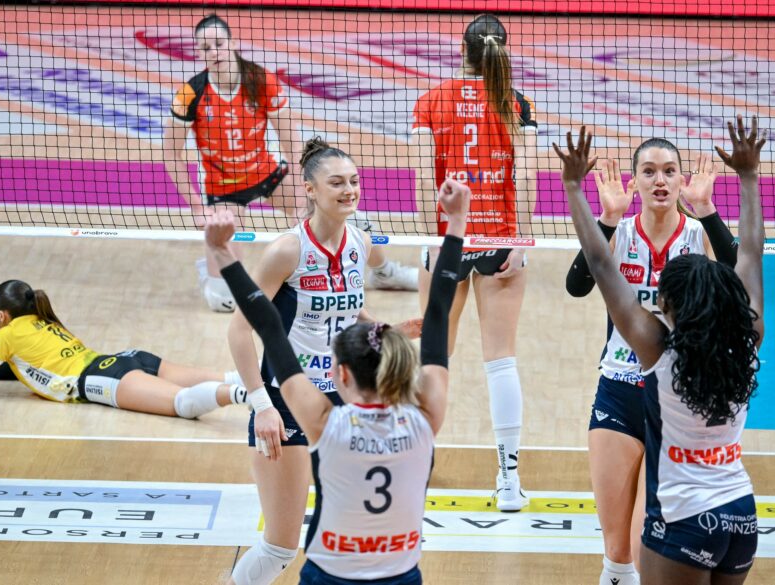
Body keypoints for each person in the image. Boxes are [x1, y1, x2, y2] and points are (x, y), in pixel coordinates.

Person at [206, 176, 467, 585]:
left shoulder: (325, 425)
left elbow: (269, 327)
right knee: (277, 544)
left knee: (280, 546)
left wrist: (223, 253)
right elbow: (438, 313)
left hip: (330, 576)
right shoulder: (424, 419)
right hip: (400, 577)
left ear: (340, 373)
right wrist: (457, 221)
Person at [555, 118, 766, 585]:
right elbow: (752, 261)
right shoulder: (623, 232)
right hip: (619, 390)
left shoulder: (696, 237)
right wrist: (608, 219)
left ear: (681, 178)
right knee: (616, 551)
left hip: (671, 407)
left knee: (638, 548)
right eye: (648, 171)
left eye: (670, 170)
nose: (660, 180)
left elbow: (738, 264)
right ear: (634, 180)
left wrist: (708, 211)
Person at [165, 14, 416, 313]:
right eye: (206, 48)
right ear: (198, 52)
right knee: (224, 302)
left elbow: (292, 144)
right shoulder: (191, 93)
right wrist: (197, 208)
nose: (214, 52)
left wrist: (304, 193)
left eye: (219, 43)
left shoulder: (260, 81)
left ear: (232, 43)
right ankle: (211, 267)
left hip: (267, 174)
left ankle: (384, 271)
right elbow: (171, 154)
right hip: (222, 189)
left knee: (341, 212)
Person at [410, 13, 536, 512]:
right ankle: (509, 480)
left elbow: (423, 180)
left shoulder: (430, 101)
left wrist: (430, 241)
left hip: (449, 240)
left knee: (434, 356)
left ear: (461, 51)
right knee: (501, 360)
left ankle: (414, 463)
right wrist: (521, 244)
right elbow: (526, 178)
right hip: (499, 238)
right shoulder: (516, 103)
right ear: (503, 51)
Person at [0, 279, 247, 417]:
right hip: (125, 360)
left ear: (2, 315)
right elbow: (12, 369)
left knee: (185, 405)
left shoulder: (4, 336)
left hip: (101, 379)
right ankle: (260, 385)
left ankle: (245, 396)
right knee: (227, 376)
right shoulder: (41, 319)